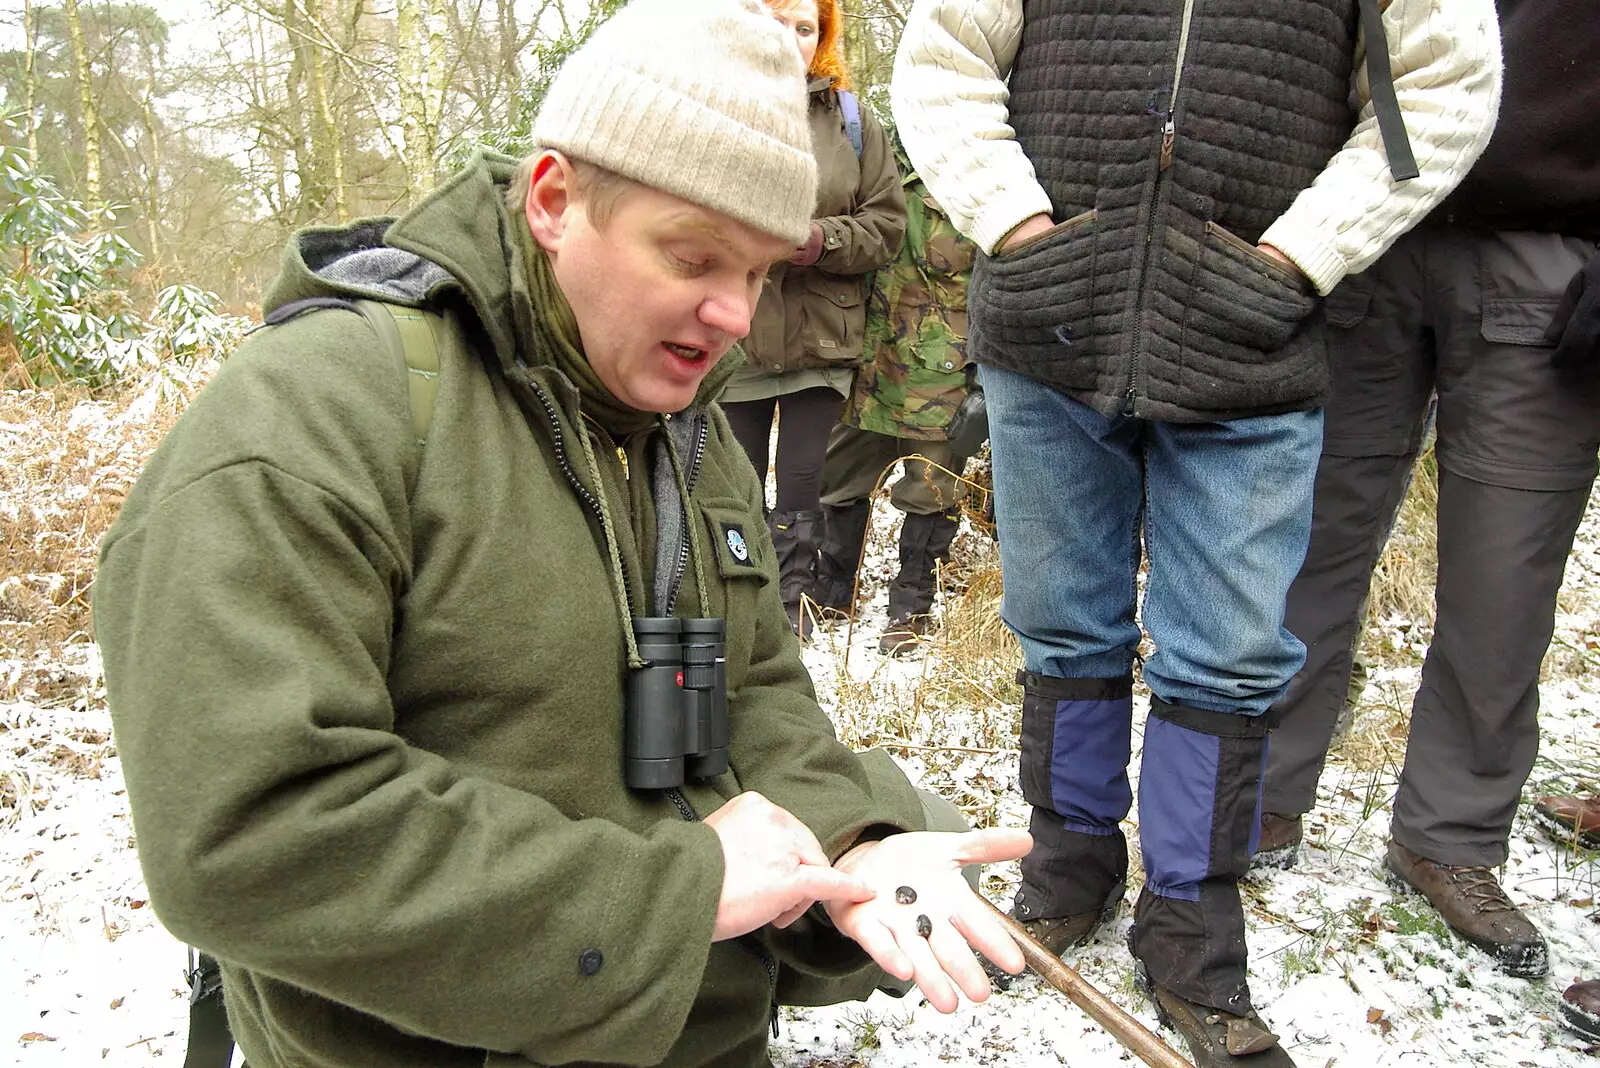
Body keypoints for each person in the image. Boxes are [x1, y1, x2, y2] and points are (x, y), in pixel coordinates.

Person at [90, 3, 1033, 1066]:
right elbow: (247, 832)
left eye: (760, 272)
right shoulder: (316, 419)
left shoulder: (686, 429)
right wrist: (671, 898)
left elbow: (750, 696)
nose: (733, 316)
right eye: (693, 257)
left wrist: (854, 839)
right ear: (553, 199)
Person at [892, 0, 1500, 1063]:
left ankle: (1190, 931)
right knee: (1058, 622)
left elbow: (1442, 89)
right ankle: (1069, 862)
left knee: (1225, 654)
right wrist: (1017, 227)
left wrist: (1300, 255)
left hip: (1252, 339)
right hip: (1047, 322)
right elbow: (942, 56)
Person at [1254, 0, 1600, 986]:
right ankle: (1260, 794)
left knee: (1504, 579)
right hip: (1369, 224)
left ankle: (1448, 835)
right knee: (1303, 541)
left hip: (1553, 252)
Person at [720, 0, 907, 636]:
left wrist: (818, 239)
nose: (793, 38)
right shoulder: (710, 102)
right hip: (734, 335)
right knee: (734, 485)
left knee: (802, 488)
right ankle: (736, 611)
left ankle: (788, 619)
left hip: (822, 336)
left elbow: (887, 227)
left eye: (807, 28)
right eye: (780, 23)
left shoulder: (852, 122)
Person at [813, 140, 980, 656]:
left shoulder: (980, 184)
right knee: (836, 483)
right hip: (867, 368)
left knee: (931, 493)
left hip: (941, 378)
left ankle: (910, 608)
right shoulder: (878, 170)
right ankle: (832, 593)